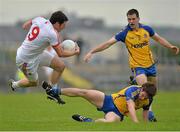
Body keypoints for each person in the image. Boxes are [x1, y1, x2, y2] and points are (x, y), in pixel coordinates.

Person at [83, 9, 179, 121]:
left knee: (152, 91)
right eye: (129, 19)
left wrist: (170, 46)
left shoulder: (147, 29)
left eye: (133, 19)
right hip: (138, 66)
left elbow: (158, 39)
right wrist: (92, 52)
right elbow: (108, 43)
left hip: (150, 65)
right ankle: (150, 113)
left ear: (138, 19)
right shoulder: (124, 33)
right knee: (144, 86)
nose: (131, 21)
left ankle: (141, 94)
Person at [9, 11, 80, 101]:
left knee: (60, 66)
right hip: (25, 60)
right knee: (33, 83)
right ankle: (14, 84)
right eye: (63, 25)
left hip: (37, 53)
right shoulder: (52, 34)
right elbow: (61, 54)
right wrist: (75, 52)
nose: (64, 27)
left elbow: (24, 26)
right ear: (58, 23)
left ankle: (53, 91)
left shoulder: (39, 19)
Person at [42, 81, 157, 123]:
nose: (143, 97)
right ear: (142, 89)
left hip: (118, 113)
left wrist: (144, 126)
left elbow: (145, 112)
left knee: (110, 122)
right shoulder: (133, 90)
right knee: (84, 92)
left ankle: (88, 121)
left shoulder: (148, 99)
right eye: (143, 94)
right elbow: (131, 107)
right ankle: (54, 91)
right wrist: (135, 122)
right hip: (108, 100)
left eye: (146, 96)